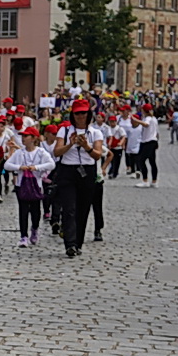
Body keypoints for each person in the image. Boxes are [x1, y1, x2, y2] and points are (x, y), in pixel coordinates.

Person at [52, 98, 105, 258]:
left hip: (87, 171)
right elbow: (56, 152)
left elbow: (97, 155)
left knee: (83, 208)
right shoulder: (65, 130)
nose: (81, 116)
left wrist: (86, 146)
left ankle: (78, 242)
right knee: (69, 208)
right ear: (72, 115)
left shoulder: (95, 132)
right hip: (68, 170)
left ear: (88, 114)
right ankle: (70, 243)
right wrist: (70, 144)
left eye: (83, 113)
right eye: (77, 114)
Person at [7, 124, 53, 247]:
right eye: (22, 136)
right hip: (21, 185)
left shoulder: (41, 152)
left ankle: (34, 229)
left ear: (33, 138)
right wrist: (19, 167)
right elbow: (7, 165)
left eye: (26, 136)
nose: (23, 139)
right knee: (23, 210)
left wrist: (37, 167)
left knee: (35, 211)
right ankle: (23, 236)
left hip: (36, 185)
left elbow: (51, 164)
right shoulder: (19, 153)